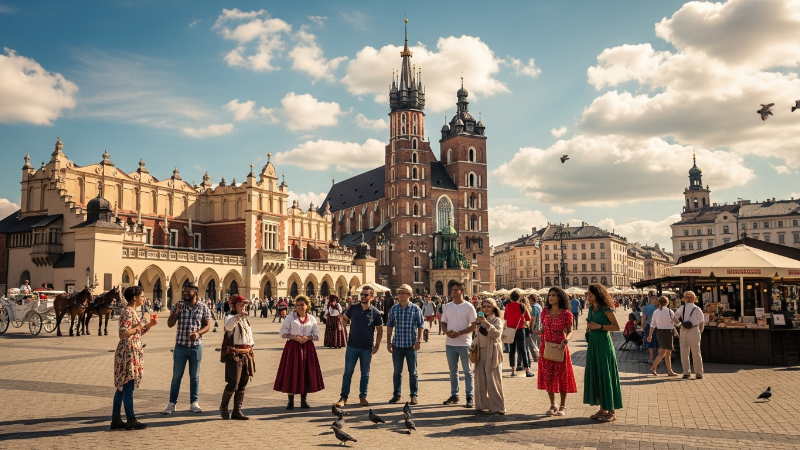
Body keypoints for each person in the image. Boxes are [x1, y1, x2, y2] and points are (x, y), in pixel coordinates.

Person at [111, 286, 158, 430]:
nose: (144, 298)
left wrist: (148, 325)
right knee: (127, 387)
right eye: (142, 296)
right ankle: (130, 419)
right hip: (128, 352)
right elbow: (123, 333)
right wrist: (141, 324)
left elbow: (136, 332)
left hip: (132, 350)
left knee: (122, 387)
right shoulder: (127, 312)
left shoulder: (132, 311)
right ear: (135, 298)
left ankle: (116, 419)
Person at [163, 281, 212, 415]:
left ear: (195, 293)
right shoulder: (178, 306)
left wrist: (198, 333)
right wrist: (176, 312)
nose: (185, 293)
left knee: (194, 376)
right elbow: (170, 324)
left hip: (196, 347)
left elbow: (208, 326)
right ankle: (172, 403)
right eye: (184, 291)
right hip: (180, 347)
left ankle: (194, 403)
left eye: (188, 291)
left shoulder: (203, 307)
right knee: (176, 376)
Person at [335, 286, 383, 408]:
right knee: (348, 373)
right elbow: (344, 319)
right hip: (352, 346)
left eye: (366, 295)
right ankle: (343, 398)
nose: (363, 296)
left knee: (365, 374)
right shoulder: (353, 308)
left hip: (367, 348)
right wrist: (342, 329)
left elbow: (380, 330)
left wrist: (377, 346)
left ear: (372, 297)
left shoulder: (375, 313)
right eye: (362, 294)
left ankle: (363, 397)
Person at [532, 287, 577, 417]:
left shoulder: (566, 314)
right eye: (549, 295)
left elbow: (569, 331)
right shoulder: (545, 311)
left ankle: (563, 406)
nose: (550, 297)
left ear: (560, 298)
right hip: (545, 346)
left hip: (559, 346)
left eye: (554, 295)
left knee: (562, 376)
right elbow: (543, 329)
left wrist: (566, 340)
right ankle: (553, 404)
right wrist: (539, 331)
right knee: (548, 375)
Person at [274, 295, 324, 409]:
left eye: (302, 305)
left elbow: (316, 334)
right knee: (291, 372)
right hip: (293, 348)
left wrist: (308, 338)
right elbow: (283, 332)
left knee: (305, 372)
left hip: (307, 348)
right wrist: (294, 337)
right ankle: (290, 401)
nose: (300, 307)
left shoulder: (311, 318)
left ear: (307, 306)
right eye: (298, 305)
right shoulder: (290, 317)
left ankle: (303, 400)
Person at [583, 283, 623, 422]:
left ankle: (611, 412)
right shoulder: (591, 308)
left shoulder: (606, 309)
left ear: (597, 295)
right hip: (594, 343)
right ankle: (603, 408)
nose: (588, 296)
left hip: (604, 345)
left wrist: (599, 326)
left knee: (605, 375)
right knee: (597, 374)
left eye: (590, 294)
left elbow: (617, 327)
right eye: (587, 294)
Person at [440, 281, 477, 408]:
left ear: (462, 291)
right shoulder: (447, 306)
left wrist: (459, 332)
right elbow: (443, 322)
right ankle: (454, 395)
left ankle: (469, 396)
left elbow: (474, 326)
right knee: (453, 371)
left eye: (456, 290)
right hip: (450, 343)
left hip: (465, 343)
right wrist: (446, 332)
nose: (453, 292)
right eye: (452, 290)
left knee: (467, 371)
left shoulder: (468, 307)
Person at [386, 284, 424, 404]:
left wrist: (419, 340)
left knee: (413, 372)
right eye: (399, 293)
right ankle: (396, 394)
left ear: (409, 295)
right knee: (397, 372)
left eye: (403, 293)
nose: (400, 295)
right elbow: (390, 326)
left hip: (411, 345)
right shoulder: (394, 309)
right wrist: (388, 342)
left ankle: (414, 394)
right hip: (397, 345)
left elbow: (420, 325)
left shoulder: (415, 309)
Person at [220, 295, 255, 420]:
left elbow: (249, 336)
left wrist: (251, 347)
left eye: (244, 305)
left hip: (246, 353)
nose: (243, 307)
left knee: (242, 383)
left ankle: (237, 411)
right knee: (233, 383)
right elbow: (228, 327)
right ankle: (223, 407)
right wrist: (238, 316)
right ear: (233, 306)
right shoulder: (230, 317)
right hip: (234, 354)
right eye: (240, 305)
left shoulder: (245, 320)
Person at [474, 298, 506, 414]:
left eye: (488, 306)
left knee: (493, 380)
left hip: (492, 352)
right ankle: (482, 405)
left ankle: (498, 407)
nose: (486, 309)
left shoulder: (497, 320)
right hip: (480, 352)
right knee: (480, 380)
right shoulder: (480, 319)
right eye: (484, 306)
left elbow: (497, 334)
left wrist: (486, 323)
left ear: (493, 308)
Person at [673, 291, 704, 380]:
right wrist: (700, 331)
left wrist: (679, 324)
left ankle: (686, 372)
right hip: (694, 330)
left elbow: (674, 317)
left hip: (684, 330)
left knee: (684, 351)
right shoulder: (697, 309)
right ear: (693, 299)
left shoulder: (682, 308)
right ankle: (698, 373)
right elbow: (702, 321)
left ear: (686, 299)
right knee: (696, 352)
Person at [505, 290, 534, 378]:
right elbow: (528, 318)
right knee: (523, 349)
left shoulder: (507, 306)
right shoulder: (522, 306)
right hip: (520, 329)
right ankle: (527, 370)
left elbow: (505, 317)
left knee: (512, 350)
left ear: (511, 298)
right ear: (519, 298)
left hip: (510, 330)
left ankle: (513, 371)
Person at [648, 296, 677, 377]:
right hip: (668, 332)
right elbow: (675, 321)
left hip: (659, 332)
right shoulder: (669, 311)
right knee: (664, 351)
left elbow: (652, 324)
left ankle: (670, 371)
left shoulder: (656, 311)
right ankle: (653, 367)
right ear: (667, 302)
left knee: (668, 352)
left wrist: (650, 334)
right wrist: (680, 324)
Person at [641, 296, 659, 364]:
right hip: (652, 326)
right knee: (655, 341)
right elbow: (643, 317)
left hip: (649, 325)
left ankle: (651, 358)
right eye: (656, 300)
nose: (657, 301)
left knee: (650, 341)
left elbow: (643, 317)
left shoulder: (648, 307)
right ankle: (656, 358)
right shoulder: (652, 307)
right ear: (653, 300)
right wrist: (643, 325)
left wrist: (643, 325)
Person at [526, 294, 542, 363]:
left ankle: (536, 357)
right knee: (538, 343)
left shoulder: (534, 307)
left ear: (532, 300)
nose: (528, 301)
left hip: (535, 327)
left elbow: (533, 318)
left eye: (529, 299)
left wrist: (532, 327)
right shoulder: (539, 305)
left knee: (531, 343)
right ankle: (540, 356)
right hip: (539, 326)